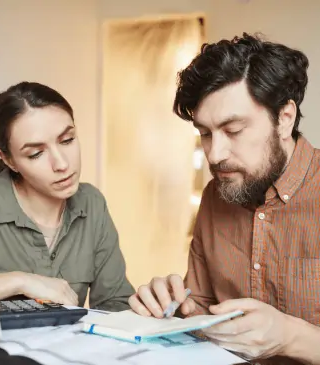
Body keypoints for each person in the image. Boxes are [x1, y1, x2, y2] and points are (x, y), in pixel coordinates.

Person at [129, 33, 320, 364]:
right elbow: (200, 312)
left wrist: (291, 336)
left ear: (284, 118)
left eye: (233, 131)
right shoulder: (215, 197)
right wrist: (170, 311)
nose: (214, 155)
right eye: (204, 134)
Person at [0, 81, 135, 311]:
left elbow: (115, 304)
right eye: (36, 153)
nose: (61, 164)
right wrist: (18, 281)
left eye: (67, 140)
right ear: (9, 160)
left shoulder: (92, 204)